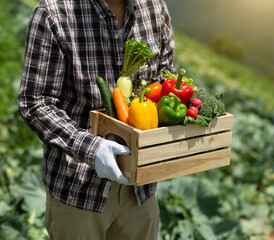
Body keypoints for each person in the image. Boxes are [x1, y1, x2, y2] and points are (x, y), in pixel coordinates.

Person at [17, 0, 175, 239]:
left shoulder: (155, 7)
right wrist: (91, 148)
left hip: (140, 193)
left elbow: (165, 79)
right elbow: (35, 102)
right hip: (78, 192)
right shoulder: (53, 13)